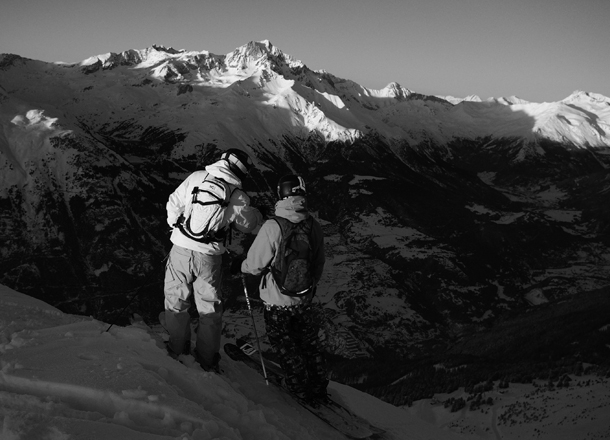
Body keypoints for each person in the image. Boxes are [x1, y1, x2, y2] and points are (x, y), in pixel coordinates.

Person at [164, 149, 263, 371]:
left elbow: (174, 202)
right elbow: (245, 225)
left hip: (180, 248)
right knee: (209, 309)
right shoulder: (239, 196)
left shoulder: (197, 177)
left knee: (176, 301)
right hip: (209, 257)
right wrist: (256, 213)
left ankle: (176, 349)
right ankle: (206, 360)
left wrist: (175, 227)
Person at [236, 174, 328, 404]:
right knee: (308, 343)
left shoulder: (273, 226)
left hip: (277, 300)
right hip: (304, 298)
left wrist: (240, 266)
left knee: (286, 345)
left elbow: (255, 265)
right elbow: (319, 261)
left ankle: (298, 386)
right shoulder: (313, 225)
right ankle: (317, 384)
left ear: (282, 194)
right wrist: (311, 284)